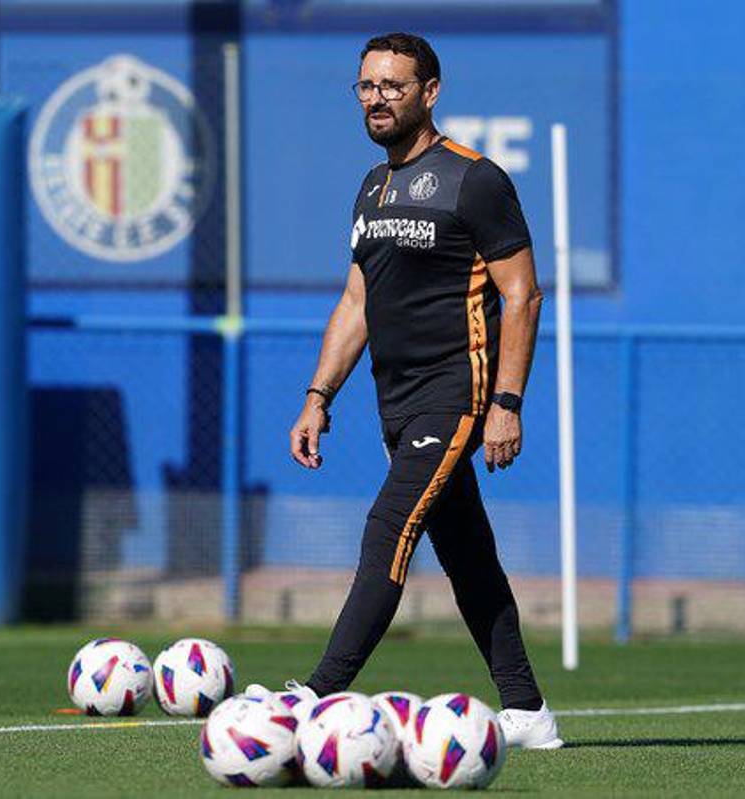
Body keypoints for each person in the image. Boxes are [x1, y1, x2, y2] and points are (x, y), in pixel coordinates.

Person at [249, 32, 561, 750]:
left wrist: (506, 404)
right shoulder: (372, 187)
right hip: (397, 401)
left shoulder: (474, 180)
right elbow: (357, 301)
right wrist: (319, 395)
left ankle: (317, 695)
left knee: (390, 525)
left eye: (393, 85)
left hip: (457, 393)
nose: (377, 98)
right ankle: (528, 711)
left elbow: (523, 294)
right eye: (366, 86)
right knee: (469, 556)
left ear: (430, 92)